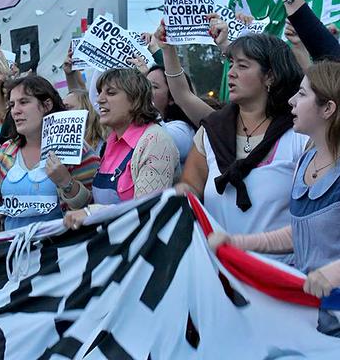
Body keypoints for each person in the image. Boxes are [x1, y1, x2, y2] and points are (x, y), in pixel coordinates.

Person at [209, 60, 340, 298]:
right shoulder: (305, 160)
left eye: (302, 94)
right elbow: (300, 234)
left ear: (328, 108)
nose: (291, 100)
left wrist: (336, 272)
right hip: (312, 313)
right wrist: (238, 242)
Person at [166, 30, 309, 243]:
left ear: (270, 76)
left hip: (278, 272)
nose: (231, 73)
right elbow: (191, 187)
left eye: (242, 66)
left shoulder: (299, 133)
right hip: (220, 269)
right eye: (231, 64)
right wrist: (178, 194)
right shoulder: (212, 131)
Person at [0, 75, 100, 247]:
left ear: (47, 105)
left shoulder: (78, 150)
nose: (15, 111)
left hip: (61, 259)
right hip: (12, 258)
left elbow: (94, 209)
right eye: (12, 105)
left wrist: (66, 182)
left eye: (24, 102)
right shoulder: (4, 153)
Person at [63, 68, 179, 229]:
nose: (99, 100)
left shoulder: (155, 141)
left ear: (135, 100)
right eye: (99, 92)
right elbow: (96, 202)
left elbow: (147, 209)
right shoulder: (111, 142)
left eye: (110, 93)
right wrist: (65, 182)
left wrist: (92, 213)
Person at [146, 65, 196, 165]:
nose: (144, 91)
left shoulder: (182, 130)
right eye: (144, 85)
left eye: (154, 87)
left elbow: (159, 142)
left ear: (173, 98)